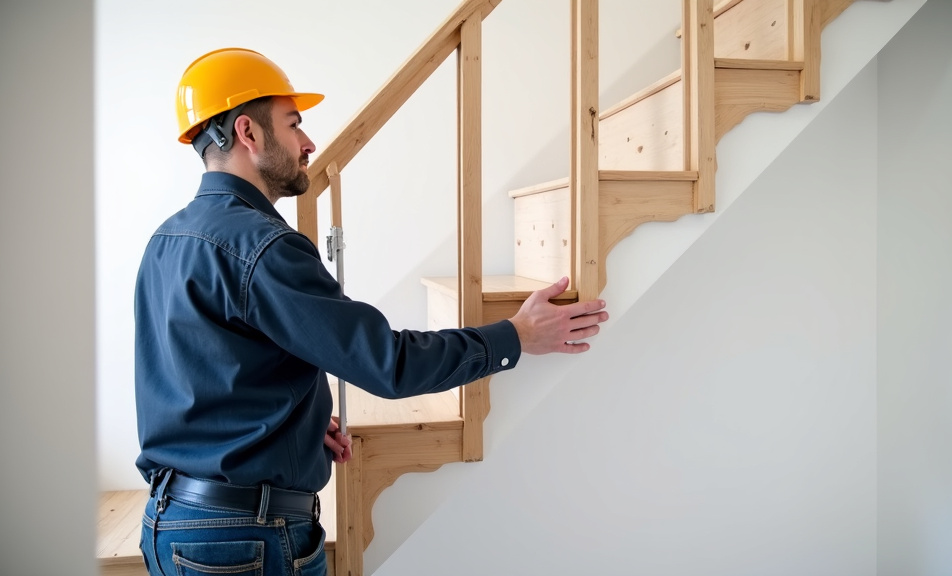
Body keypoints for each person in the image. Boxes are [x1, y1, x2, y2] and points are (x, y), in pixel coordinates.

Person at [134, 47, 608, 576]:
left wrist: (297, 424)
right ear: (247, 132)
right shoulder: (264, 248)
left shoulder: (166, 239)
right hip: (244, 539)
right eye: (294, 125)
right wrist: (515, 336)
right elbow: (387, 364)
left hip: (170, 520)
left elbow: (203, 377)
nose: (309, 142)